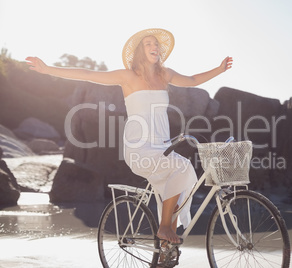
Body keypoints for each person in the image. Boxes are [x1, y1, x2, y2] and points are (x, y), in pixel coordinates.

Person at [26, 28, 232, 245]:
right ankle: (164, 227)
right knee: (180, 168)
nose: (154, 47)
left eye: (156, 44)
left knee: (185, 171)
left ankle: (165, 249)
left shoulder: (165, 74)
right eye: (148, 44)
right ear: (140, 52)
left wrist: (219, 69)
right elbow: (87, 75)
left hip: (162, 146)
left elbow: (192, 79)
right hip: (139, 146)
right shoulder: (128, 76)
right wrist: (47, 68)